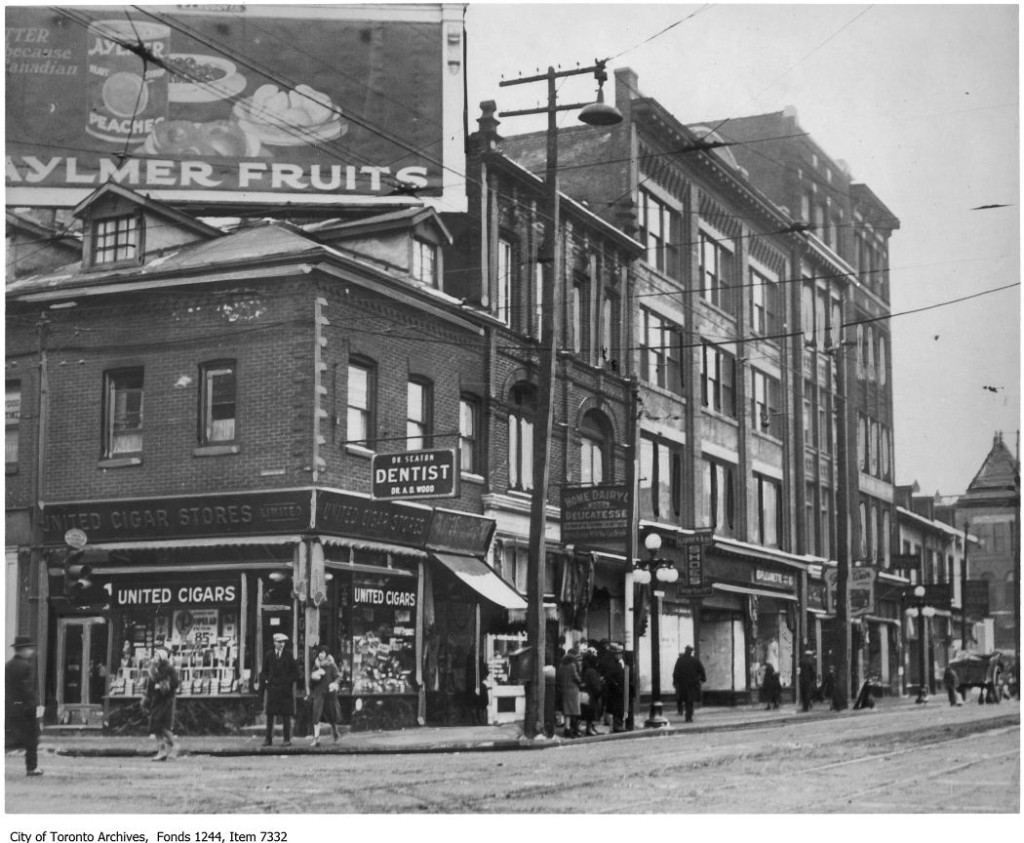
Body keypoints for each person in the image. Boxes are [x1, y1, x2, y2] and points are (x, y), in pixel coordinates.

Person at [5, 635, 43, 776]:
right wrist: (35, 706)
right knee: (31, 739)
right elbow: (27, 689)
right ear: (22, 650)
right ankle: (31, 768)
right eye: (29, 648)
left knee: (9, 739)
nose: (31, 651)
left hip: (10, 708)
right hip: (25, 708)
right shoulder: (26, 666)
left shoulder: (7, 666)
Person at [142, 642, 180, 761]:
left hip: (166, 700)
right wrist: (147, 698)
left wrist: (166, 685)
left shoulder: (169, 669)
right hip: (156, 700)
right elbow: (150, 686)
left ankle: (173, 746)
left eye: (156, 655)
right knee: (156, 726)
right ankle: (162, 750)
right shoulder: (153, 670)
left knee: (163, 726)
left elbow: (175, 683)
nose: (154, 658)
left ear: (161, 657)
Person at [261, 632, 299, 747]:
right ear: (274, 643)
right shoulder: (269, 655)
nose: (281, 644)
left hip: (285, 690)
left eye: (283, 642)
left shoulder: (288, 655)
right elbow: (264, 671)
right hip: (273, 689)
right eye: (279, 642)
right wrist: (267, 681)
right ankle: (268, 739)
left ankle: (287, 739)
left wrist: (289, 681)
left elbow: (295, 671)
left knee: (286, 715)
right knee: (270, 715)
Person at [307, 645, 341, 746]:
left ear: (327, 654)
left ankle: (335, 733)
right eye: (320, 653)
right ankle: (316, 738)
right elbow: (310, 683)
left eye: (323, 653)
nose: (321, 655)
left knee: (332, 716)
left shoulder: (331, 665)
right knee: (316, 716)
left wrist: (334, 684)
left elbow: (338, 677)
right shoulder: (316, 666)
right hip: (318, 694)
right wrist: (315, 677)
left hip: (329, 694)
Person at [671, 645, 706, 723]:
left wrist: (675, 682)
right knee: (690, 701)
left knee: (683, 700)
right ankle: (689, 717)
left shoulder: (680, 660)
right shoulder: (695, 661)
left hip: (682, 684)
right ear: (691, 652)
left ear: (685, 651)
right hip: (693, 685)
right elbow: (702, 671)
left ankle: (685, 714)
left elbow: (675, 673)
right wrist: (702, 680)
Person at [557, 647, 583, 738]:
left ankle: (567, 728)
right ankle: (572, 729)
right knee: (573, 711)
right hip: (573, 689)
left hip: (564, 689)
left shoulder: (561, 665)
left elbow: (559, 677)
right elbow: (576, 677)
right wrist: (581, 681)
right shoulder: (572, 665)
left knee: (567, 711)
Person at [580, 647, 604, 736]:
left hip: (588, 693)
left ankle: (591, 728)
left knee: (589, 713)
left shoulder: (585, 670)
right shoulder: (592, 671)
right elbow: (595, 684)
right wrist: (600, 688)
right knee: (591, 713)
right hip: (592, 695)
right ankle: (590, 729)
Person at [604, 643, 627, 732]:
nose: (620, 655)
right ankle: (617, 726)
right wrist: (616, 685)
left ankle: (619, 725)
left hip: (619, 689)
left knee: (620, 709)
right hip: (616, 691)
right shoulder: (613, 664)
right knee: (617, 709)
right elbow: (610, 677)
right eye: (618, 653)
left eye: (620, 653)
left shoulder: (618, 663)